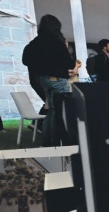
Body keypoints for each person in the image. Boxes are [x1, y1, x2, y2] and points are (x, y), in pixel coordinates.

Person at [21, 15, 75, 145]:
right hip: (58, 79)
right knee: (59, 111)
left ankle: (47, 141)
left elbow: (25, 60)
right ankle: (56, 141)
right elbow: (69, 63)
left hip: (44, 79)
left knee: (52, 110)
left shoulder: (35, 43)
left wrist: (41, 65)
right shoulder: (57, 42)